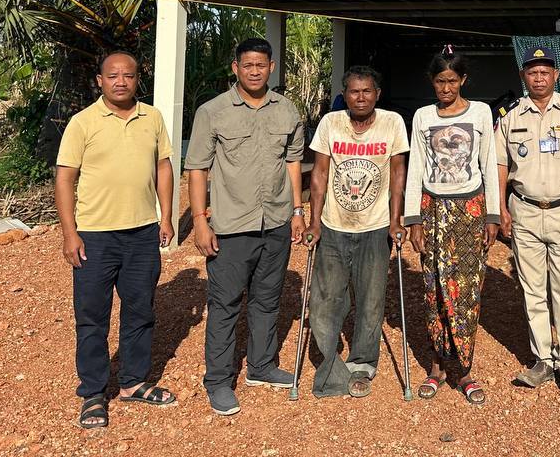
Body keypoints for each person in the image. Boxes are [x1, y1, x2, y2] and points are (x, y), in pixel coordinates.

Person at [55, 51, 177, 430]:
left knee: (140, 310)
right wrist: (70, 233)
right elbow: (64, 178)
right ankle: (93, 392)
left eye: (128, 75)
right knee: (92, 315)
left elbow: (163, 166)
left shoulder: (152, 118)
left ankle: (133, 382)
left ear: (138, 79)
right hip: (95, 235)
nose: (120, 81)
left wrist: (166, 216)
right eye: (112, 76)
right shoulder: (82, 122)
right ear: (100, 80)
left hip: (142, 232)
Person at [185, 37, 306, 416]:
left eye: (261, 65)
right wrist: (200, 221)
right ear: (235, 68)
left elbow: (292, 162)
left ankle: (261, 366)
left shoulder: (287, 110)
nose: (255, 71)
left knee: (267, 300)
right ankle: (219, 381)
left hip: (276, 222)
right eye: (247, 65)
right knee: (225, 305)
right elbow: (197, 168)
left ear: (272, 68)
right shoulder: (213, 112)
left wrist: (297, 211)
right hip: (231, 226)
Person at [495, 46, 560, 401]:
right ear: (523, 76)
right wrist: (501, 208)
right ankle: (542, 357)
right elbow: (500, 165)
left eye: (545, 72)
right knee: (532, 288)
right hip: (523, 211)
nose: (539, 78)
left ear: (556, 75)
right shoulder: (509, 115)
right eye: (532, 72)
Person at [403, 46, 500, 405]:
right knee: (434, 290)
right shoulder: (423, 116)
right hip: (432, 209)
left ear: (463, 80)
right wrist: (413, 218)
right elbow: (416, 167)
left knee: (468, 291)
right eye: (440, 82)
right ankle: (436, 366)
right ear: (432, 82)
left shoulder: (480, 112)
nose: (446, 88)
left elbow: (489, 163)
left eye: (452, 81)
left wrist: (492, 215)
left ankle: (465, 371)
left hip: (470, 210)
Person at [305, 66, 409, 398]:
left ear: (377, 94)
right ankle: (331, 364)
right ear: (344, 95)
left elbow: (398, 174)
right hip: (334, 225)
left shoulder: (392, 123)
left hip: (375, 225)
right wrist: (314, 221)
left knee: (370, 298)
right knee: (325, 299)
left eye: (367, 91)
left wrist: (396, 220)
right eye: (353, 91)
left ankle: (363, 362)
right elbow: (319, 173)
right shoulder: (330, 123)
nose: (360, 97)